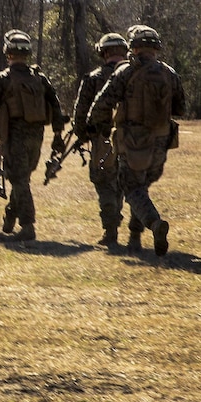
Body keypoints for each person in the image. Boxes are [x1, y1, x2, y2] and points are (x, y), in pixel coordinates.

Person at [88, 25, 185, 256]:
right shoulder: (170, 73)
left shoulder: (126, 72)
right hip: (161, 142)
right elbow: (180, 108)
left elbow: (103, 103)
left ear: (134, 47)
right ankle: (134, 238)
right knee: (141, 188)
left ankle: (154, 223)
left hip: (132, 140)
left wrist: (97, 125)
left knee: (131, 187)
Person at [0, 30, 64, 241]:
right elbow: (56, 105)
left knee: (19, 180)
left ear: (8, 54)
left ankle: (27, 225)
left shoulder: (2, 79)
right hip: (37, 135)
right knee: (21, 179)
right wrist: (58, 135)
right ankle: (10, 214)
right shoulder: (39, 78)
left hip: (15, 135)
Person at [72, 32, 130, 246]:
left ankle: (110, 230)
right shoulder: (133, 76)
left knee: (104, 183)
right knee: (121, 183)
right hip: (130, 140)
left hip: (102, 139)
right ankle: (118, 223)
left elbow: (80, 112)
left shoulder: (94, 78)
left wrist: (81, 133)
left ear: (103, 52)